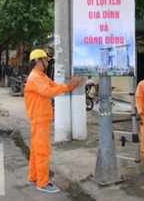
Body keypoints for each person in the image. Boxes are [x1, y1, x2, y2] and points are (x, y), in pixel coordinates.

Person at [24, 49, 86, 193]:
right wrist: (68, 85)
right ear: (39, 61)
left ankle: (33, 177)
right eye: (46, 60)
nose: (47, 62)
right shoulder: (35, 78)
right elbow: (49, 92)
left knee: (36, 149)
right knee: (42, 150)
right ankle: (43, 183)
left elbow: (55, 87)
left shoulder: (41, 76)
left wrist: (72, 85)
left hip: (41, 118)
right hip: (39, 118)